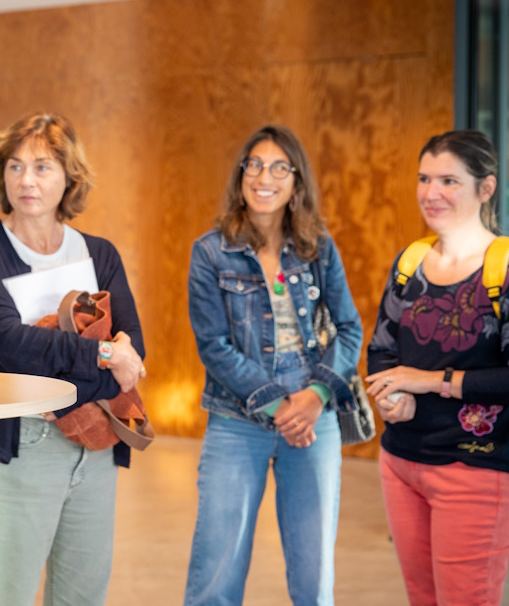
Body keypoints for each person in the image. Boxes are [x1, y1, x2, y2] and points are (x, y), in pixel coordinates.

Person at [0, 112, 145, 606]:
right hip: (23, 446)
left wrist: (63, 390)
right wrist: (102, 353)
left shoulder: (99, 254)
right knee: (6, 596)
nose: (26, 180)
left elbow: (135, 357)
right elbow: (8, 343)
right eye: (15, 167)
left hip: (97, 449)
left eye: (42, 167)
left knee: (82, 598)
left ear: (69, 176)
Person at [365, 130, 509, 605]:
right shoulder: (410, 261)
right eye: (424, 178)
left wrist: (426, 382)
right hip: (402, 463)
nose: (431, 193)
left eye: (449, 180)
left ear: (485, 188)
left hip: (477, 470)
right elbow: (382, 348)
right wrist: (391, 394)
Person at [184, 125, 363, 605]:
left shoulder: (318, 247)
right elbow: (214, 345)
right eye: (255, 165)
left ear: (295, 183)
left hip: (313, 417)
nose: (265, 176)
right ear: (242, 176)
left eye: (279, 167)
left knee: (314, 577)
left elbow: (349, 329)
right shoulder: (209, 252)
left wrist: (315, 397)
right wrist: (280, 406)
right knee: (216, 572)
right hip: (236, 419)